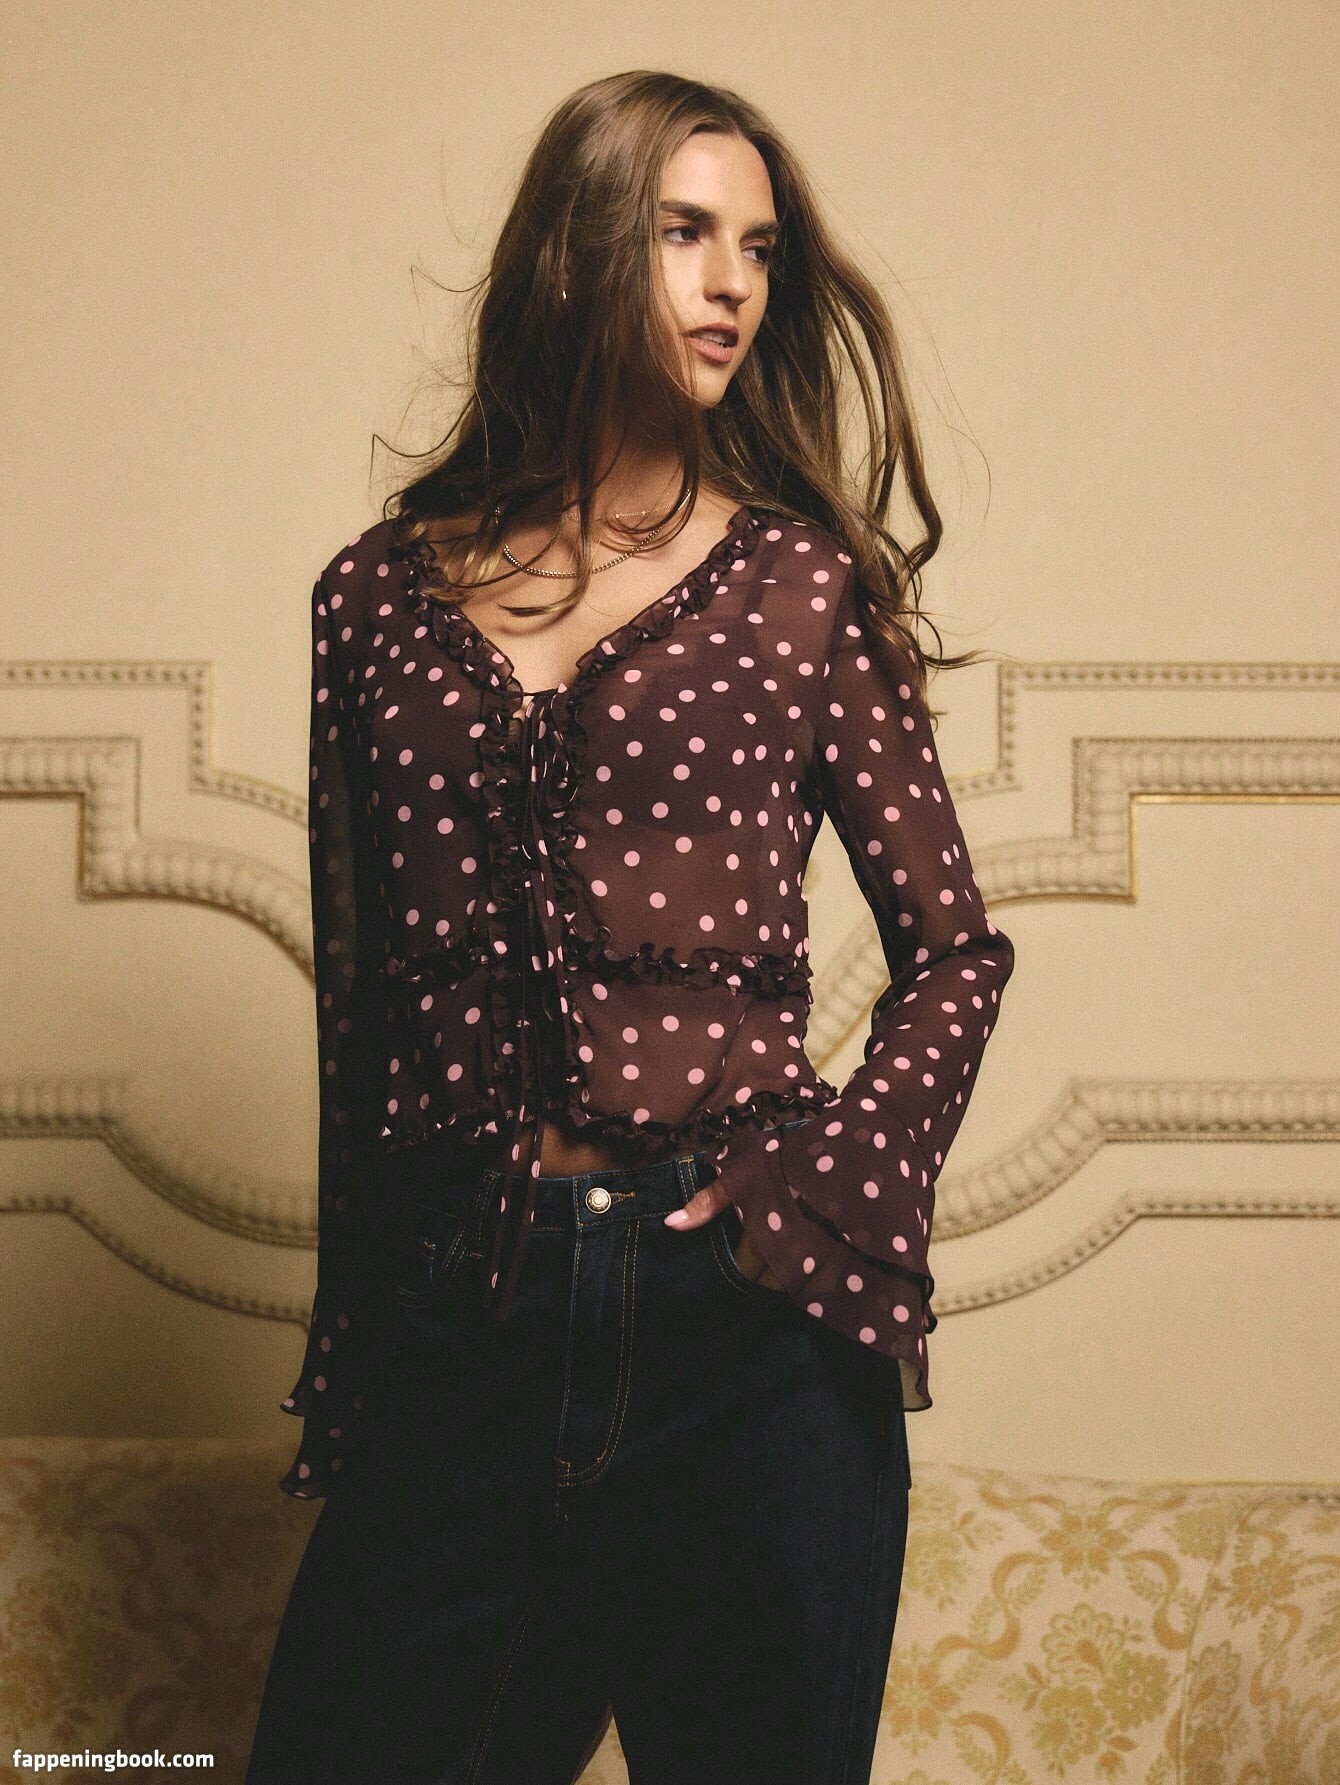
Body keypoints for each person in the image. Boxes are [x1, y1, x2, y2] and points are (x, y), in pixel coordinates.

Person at [246, 68, 1015, 1785]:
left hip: (739, 1327)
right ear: (572, 252)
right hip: (467, 1309)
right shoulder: (372, 601)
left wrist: (826, 1191)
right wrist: (361, 1356)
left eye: (758, 247)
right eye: (684, 233)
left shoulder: (797, 588)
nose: (733, 283)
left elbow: (957, 948)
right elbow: (362, 1019)